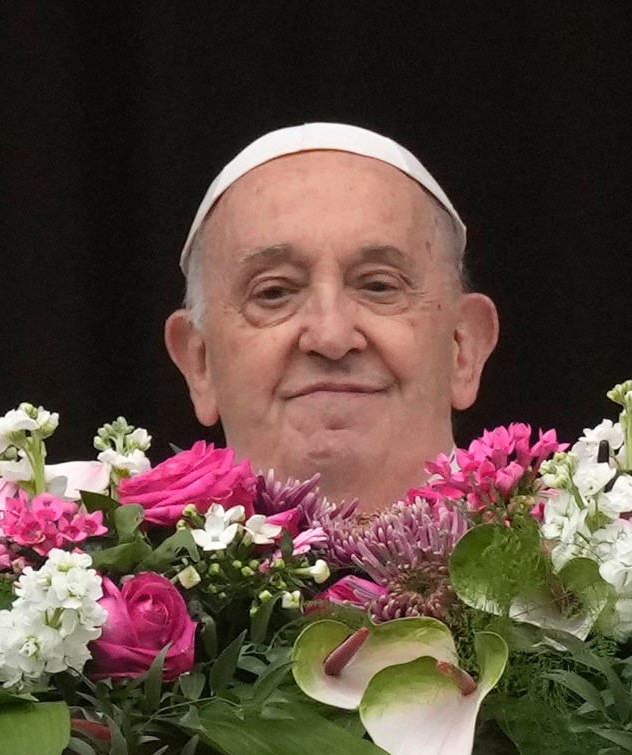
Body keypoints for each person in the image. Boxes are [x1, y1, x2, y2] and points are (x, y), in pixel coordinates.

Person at [164, 124, 500, 511]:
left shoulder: (578, 553)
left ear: (464, 349)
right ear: (199, 363)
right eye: (274, 293)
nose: (331, 337)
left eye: (379, 286)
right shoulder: (86, 564)